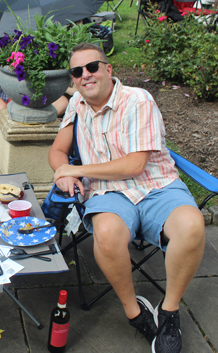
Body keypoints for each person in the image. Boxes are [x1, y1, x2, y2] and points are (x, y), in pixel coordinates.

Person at [49, 43, 205, 353]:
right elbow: (57, 151)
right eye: (77, 72)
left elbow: (135, 165)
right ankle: (136, 313)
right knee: (106, 235)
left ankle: (169, 311)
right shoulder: (77, 103)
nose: (85, 76)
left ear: (109, 69)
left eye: (92, 67)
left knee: (192, 226)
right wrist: (64, 172)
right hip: (108, 193)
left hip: (156, 185)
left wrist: (79, 168)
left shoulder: (138, 100)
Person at [0, 36, 72, 140]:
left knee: (63, 102)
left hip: (24, 97)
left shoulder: (27, 39)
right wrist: (1, 108)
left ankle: (16, 123)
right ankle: (34, 122)